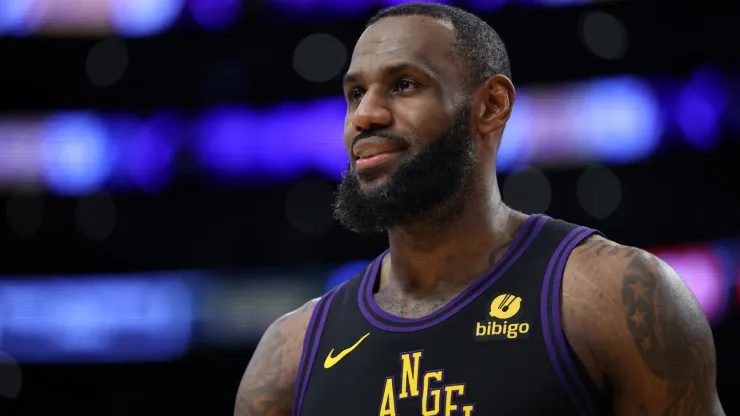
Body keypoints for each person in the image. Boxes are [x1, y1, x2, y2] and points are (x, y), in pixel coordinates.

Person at [235, 3, 725, 415]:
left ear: (491, 106)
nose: (365, 115)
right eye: (355, 93)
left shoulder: (616, 298)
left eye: (404, 84)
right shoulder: (289, 356)